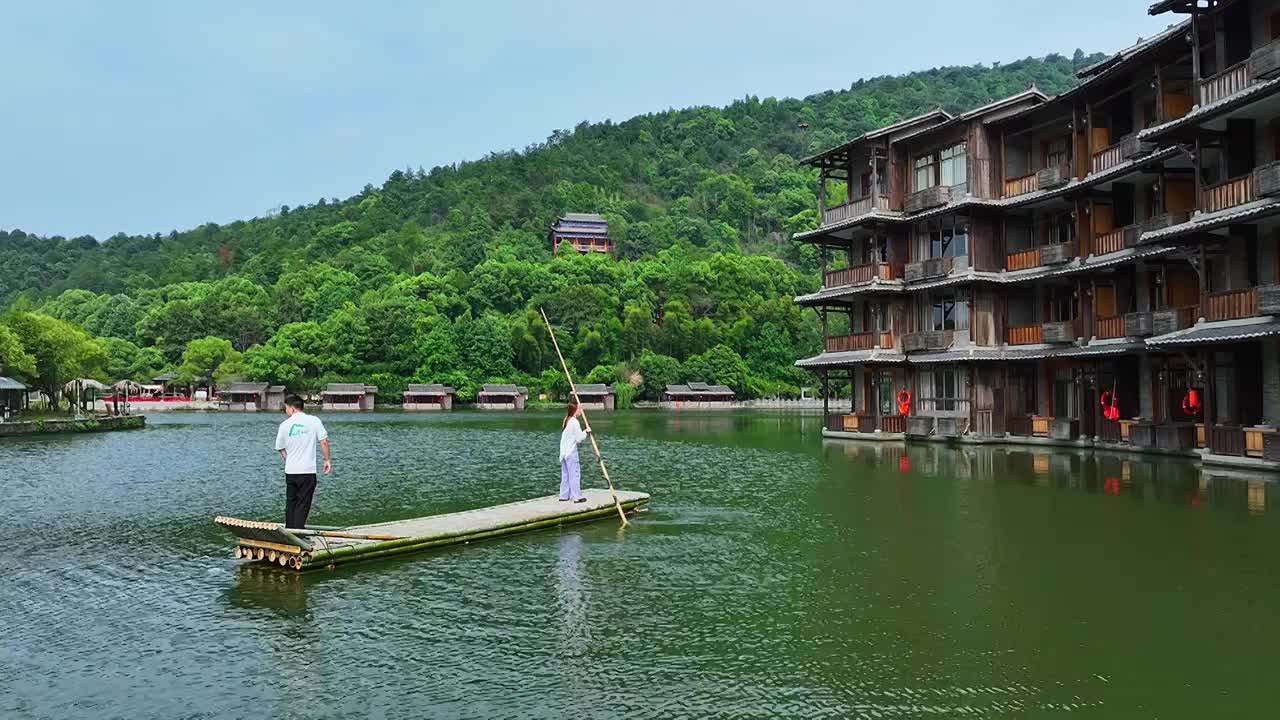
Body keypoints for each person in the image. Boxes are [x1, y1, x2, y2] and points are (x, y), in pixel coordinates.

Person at [274, 395, 331, 528]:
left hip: (291, 471)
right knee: (303, 503)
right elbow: (323, 441)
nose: (286, 411)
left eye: (286, 408)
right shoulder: (314, 421)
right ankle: (299, 533)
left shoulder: (284, 425)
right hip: (307, 471)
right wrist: (327, 460)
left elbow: (280, 448)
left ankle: (290, 531)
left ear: (292, 408)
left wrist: (289, 459)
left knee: (291, 502)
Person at [559, 399, 590, 503]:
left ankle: (564, 495)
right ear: (575, 410)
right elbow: (579, 438)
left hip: (563, 452)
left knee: (566, 474)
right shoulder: (574, 422)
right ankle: (576, 496)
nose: (581, 410)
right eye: (580, 408)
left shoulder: (566, 420)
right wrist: (586, 431)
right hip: (571, 451)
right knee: (574, 473)